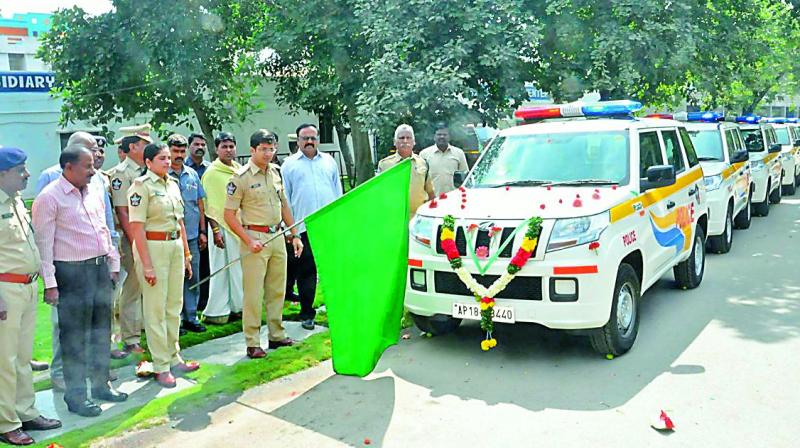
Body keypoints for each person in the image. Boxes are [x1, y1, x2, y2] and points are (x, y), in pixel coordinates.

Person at [31, 145, 128, 417]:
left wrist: (113, 263)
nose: (93, 170)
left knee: (101, 331)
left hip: (99, 270)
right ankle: (76, 397)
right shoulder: (49, 198)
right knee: (74, 338)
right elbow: (43, 244)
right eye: (87, 166)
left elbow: (103, 230)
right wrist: (50, 283)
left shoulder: (94, 190)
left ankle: (101, 384)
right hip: (71, 274)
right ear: (68, 167)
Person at [0, 147, 62, 446]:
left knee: (23, 358)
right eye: (20, 169)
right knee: (4, 361)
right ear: (2, 173)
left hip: (26, 287)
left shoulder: (15, 202)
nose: (26, 174)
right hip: (5, 291)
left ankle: (25, 411)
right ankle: (6, 422)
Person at [128, 143, 200, 388]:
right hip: (153, 247)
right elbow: (136, 227)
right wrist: (146, 265)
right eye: (162, 158)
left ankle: (173, 356)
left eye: (169, 158)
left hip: (175, 246)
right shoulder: (141, 187)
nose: (168, 162)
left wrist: (187, 254)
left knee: (173, 306)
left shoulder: (172, 184)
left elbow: (179, 221)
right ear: (148, 162)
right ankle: (160, 365)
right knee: (155, 309)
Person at [224, 130, 301, 358]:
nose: (268, 153)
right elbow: (228, 215)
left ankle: (276, 335)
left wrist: (294, 235)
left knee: (277, 289)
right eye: (264, 149)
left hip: (277, 235)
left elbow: (284, 206)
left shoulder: (276, 172)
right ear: (253, 150)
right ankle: (252, 341)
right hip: (254, 238)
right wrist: (248, 241)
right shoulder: (241, 177)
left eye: (271, 148)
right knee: (253, 293)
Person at [281, 124, 342, 330]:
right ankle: (307, 313)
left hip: (329, 226)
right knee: (306, 272)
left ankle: (336, 310)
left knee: (332, 270)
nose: (309, 142)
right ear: (297, 141)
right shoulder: (289, 165)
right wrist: (290, 230)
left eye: (313, 138)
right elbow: (285, 199)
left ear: (318, 140)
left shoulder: (329, 162)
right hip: (302, 227)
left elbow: (337, 192)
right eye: (305, 138)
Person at [108, 124, 152, 355]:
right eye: (145, 144)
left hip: (152, 236)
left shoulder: (148, 169)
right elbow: (122, 211)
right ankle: (131, 338)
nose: (148, 147)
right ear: (133, 146)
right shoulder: (121, 174)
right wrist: (136, 241)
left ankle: (147, 331)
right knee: (132, 289)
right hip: (133, 239)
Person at [201, 132, 244, 325]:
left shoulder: (239, 170)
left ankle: (238, 307)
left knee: (238, 269)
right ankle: (217, 311)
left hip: (239, 225)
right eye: (224, 146)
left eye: (231, 146)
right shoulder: (211, 173)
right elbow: (209, 205)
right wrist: (216, 231)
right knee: (221, 268)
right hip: (220, 227)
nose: (228, 150)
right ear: (216, 149)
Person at [167, 134, 207, 333]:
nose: (179, 155)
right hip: (170, 239)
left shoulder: (192, 174)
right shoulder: (162, 175)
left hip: (191, 236)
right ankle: (177, 320)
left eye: (182, 151)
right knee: (174, 280)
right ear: (168, 151)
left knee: (193, 278)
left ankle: (191, 317)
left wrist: (202, 231)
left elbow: (199, 204)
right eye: (175, 151)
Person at [377, 124, 434, 218]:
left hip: (417, 218)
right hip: (393, 218)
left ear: (414, 142)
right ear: (395, 142)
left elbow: (431, 192)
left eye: (408, 138)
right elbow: (379, 194)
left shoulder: (422, 163)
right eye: (401, 138)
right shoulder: (384, 165)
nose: (405, 141)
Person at [184, 133, 211, 312]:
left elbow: (202, 202)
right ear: (189, 146)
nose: (200, 147)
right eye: (196, 144)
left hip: (205, 225)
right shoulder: (184, 168)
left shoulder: (209, 169)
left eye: (203, 144)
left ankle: (202, 304)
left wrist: (204, 230)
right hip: (183, 229)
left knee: (204, 267)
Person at [419, 123, 468, 196]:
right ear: (434, 137)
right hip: (432, 200)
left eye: (445, 135)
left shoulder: (459, 153)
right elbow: (420, 180)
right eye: (439, 134)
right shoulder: (424, 154)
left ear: (449, 137)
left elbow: (465, 178)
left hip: (454, 198)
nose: (442, 137)